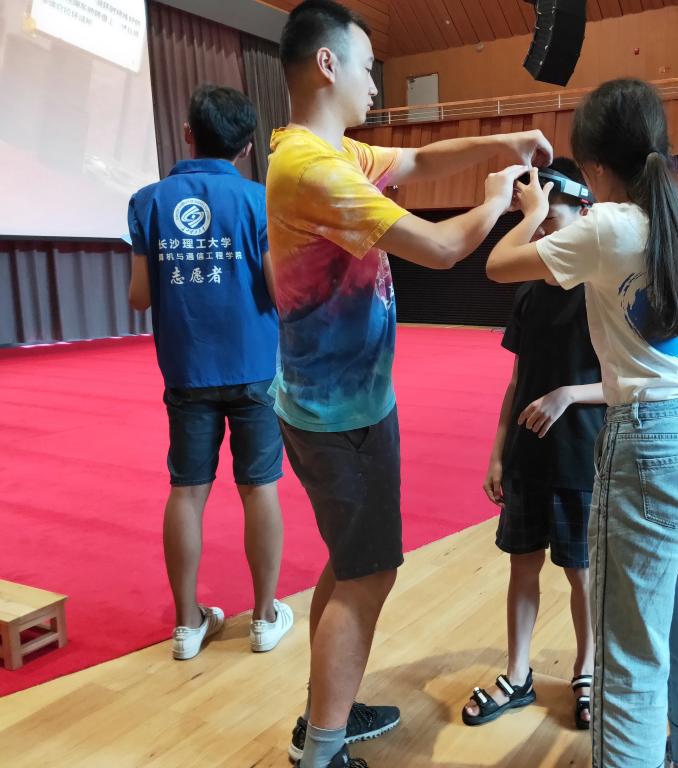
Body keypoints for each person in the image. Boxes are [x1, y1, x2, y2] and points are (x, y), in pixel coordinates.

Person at [269, 3, 552, 766]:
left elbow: (422, 163)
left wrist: (502, 142)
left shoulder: (326, 151)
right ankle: (322, 751)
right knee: (369, 573)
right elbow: (439, 246)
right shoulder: (313, 168)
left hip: (339, 401)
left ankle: (324, 717)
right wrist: (499, 201)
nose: (374, 85)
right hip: (341, 414)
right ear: (327, 65)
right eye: (367, 68)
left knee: (350, 562)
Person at [487, 78, 678, 768]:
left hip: (651, 446)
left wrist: (531, 210)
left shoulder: (606, 229)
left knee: (629, 652)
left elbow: (499, 265)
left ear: (595, 167)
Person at [127, 85, 293, 661]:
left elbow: (139, 297)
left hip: (187, 370)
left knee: (187, 490)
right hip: (254, 369)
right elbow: (279, 291)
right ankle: (264, 618)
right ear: (247, 148)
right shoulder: (258, 201)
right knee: (259, 487)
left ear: (187, 134)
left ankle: (187, 624)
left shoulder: (147, 202)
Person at [462, 158, 602, 732]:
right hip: (528, 457)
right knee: (523, 566)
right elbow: (517, 381)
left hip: (581, 457)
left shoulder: (601, 290)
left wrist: (569, 395)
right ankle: (518, 674)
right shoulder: (528, 293)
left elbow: (628, 381)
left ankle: (587, 670)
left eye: (551, 219)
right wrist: (499, 452)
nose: (542, 233)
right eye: (535, 222)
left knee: (581, 572)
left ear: (586, 214)